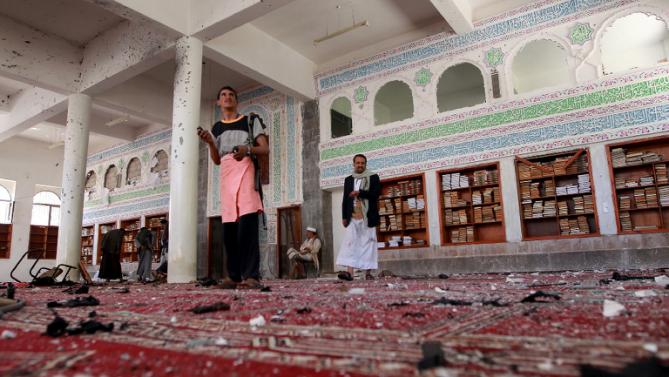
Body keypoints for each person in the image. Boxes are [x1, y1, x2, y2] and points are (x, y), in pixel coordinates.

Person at [197, 86, 269, 289]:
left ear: (236, 100)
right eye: (223, 95)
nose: (227, 97)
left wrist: (247, 149)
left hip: (245, 170)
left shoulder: (249, 120)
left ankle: (251, 275)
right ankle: (233, 276)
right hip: (227, 175)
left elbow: (265, 148)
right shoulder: (217, 127)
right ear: (218, 102)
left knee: (247, 225)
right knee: (229, 227)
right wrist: (210, 142)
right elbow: (217, 159)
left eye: (231, 95)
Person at [336, 154, 381, 281]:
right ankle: (349, 272)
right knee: (350, 243)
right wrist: (344, 216)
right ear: (354, 164)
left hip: (368, 216)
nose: (360, 165)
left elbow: (376, 194)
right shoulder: (348, 180)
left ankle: (367, 273)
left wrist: (360, 193)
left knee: (368, 244)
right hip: (352, 216)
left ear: (365, 164)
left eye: (362, 163)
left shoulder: (373, 177)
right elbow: (345, 199)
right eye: (358, 163)